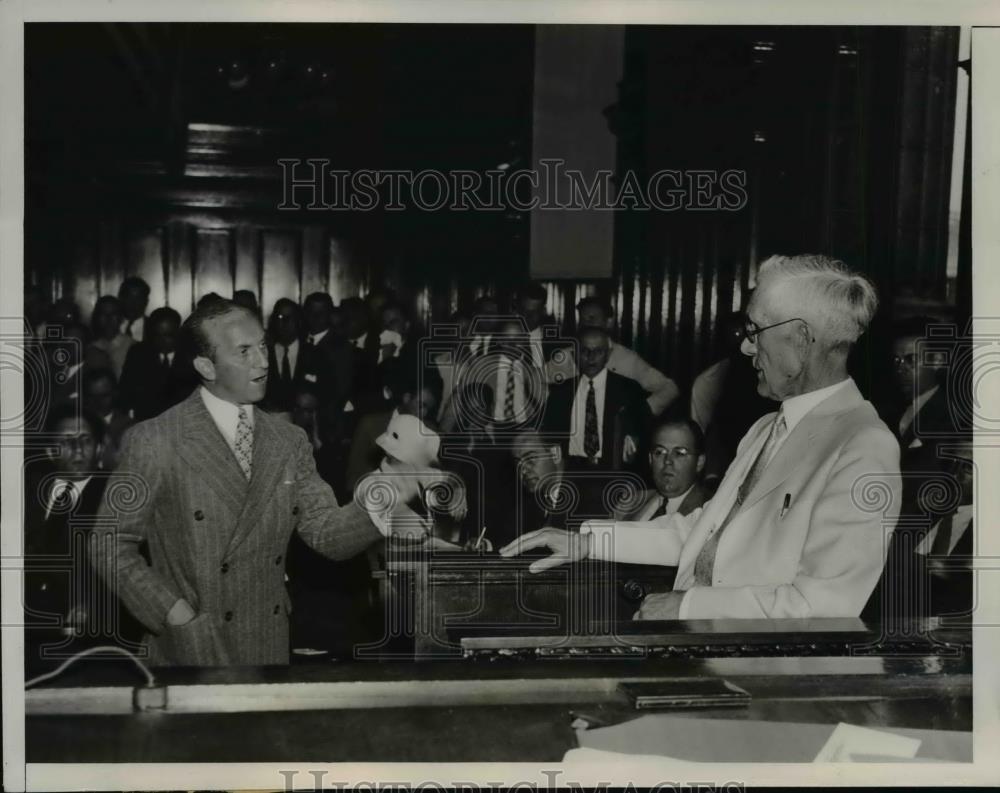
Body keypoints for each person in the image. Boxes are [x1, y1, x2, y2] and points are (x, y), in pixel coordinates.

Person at [503, 254, 901, 621]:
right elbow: (706, 534)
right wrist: (586, 543)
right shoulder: (767, 428)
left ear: (799, 338)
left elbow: (824, 606)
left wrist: (688, 605)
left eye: (755, 329)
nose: (746, 346)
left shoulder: (862, 446)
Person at [89, 298, 419, 666]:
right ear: (206, 366)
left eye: (262, 345)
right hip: (190, 650)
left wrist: (386, 492)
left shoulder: (288, 441)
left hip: (266, 644)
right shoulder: (155, 439)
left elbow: (327, 534)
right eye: (243, 352)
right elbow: (108, 543)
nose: (262, 361)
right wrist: (173, 612)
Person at [23, 407, 142, 673]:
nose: (77, 449)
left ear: (100, 448)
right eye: (65, 441)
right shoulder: (25, 492)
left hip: (88, 641)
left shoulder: (117, 496)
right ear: (50, 450)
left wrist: (93, 605)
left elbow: (129, 568)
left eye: (85, 440)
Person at [547, 296, 680, 416]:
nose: (586, 324)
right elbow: (535, 380)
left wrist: (641, 413)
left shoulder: (627, 359)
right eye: (582, 319)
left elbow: (669, 388)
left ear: (608, 322)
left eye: (592, 318)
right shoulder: (565, 356)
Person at [542, 325, 649, 471]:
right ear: (575, 355)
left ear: (608, 354)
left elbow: (644, 432)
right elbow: (548, 437)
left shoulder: (629, 390)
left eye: (598, 351)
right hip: (571, 471)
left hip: (613, 471)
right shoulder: (561, 392)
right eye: (584, 351)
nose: (590, 357)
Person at [615, 419, 709, 521]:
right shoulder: (630, 503)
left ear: (699, 462)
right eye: (659, 452)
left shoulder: (710, 510)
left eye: (679, 453)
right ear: (650, 459)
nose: (667, 461)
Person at [119, 306, 191, 421]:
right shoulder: (138, 354)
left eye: (168, 335)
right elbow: (125, 391)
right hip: (147, 422)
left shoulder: (191, 355)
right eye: (157, 335)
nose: (162, 341)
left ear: (179, 332)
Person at [81, 367, 134, 470]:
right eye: (92, 396)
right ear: (85, 397)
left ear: (115, 394)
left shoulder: (129, 426)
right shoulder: (74, 424)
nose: (98, 402)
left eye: (104, 396)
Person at [264, 298, 305, 412]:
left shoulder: (314, 354)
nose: (285, 322)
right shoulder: (264, 354)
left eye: (290, 317)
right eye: (280, 317)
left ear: (298, 321)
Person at [88, 295, 135, 380]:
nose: (108, 318)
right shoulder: (90, 347)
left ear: (121, 318)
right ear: (97, 317)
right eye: (103, 313)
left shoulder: (133, 347)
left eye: (113, 314)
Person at [118, 277, 151, 342]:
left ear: (146, 302)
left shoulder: (154, 327)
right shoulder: (110, 326)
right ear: (121, 299)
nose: (133, 303)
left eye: (138, 298)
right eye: (129, 298)